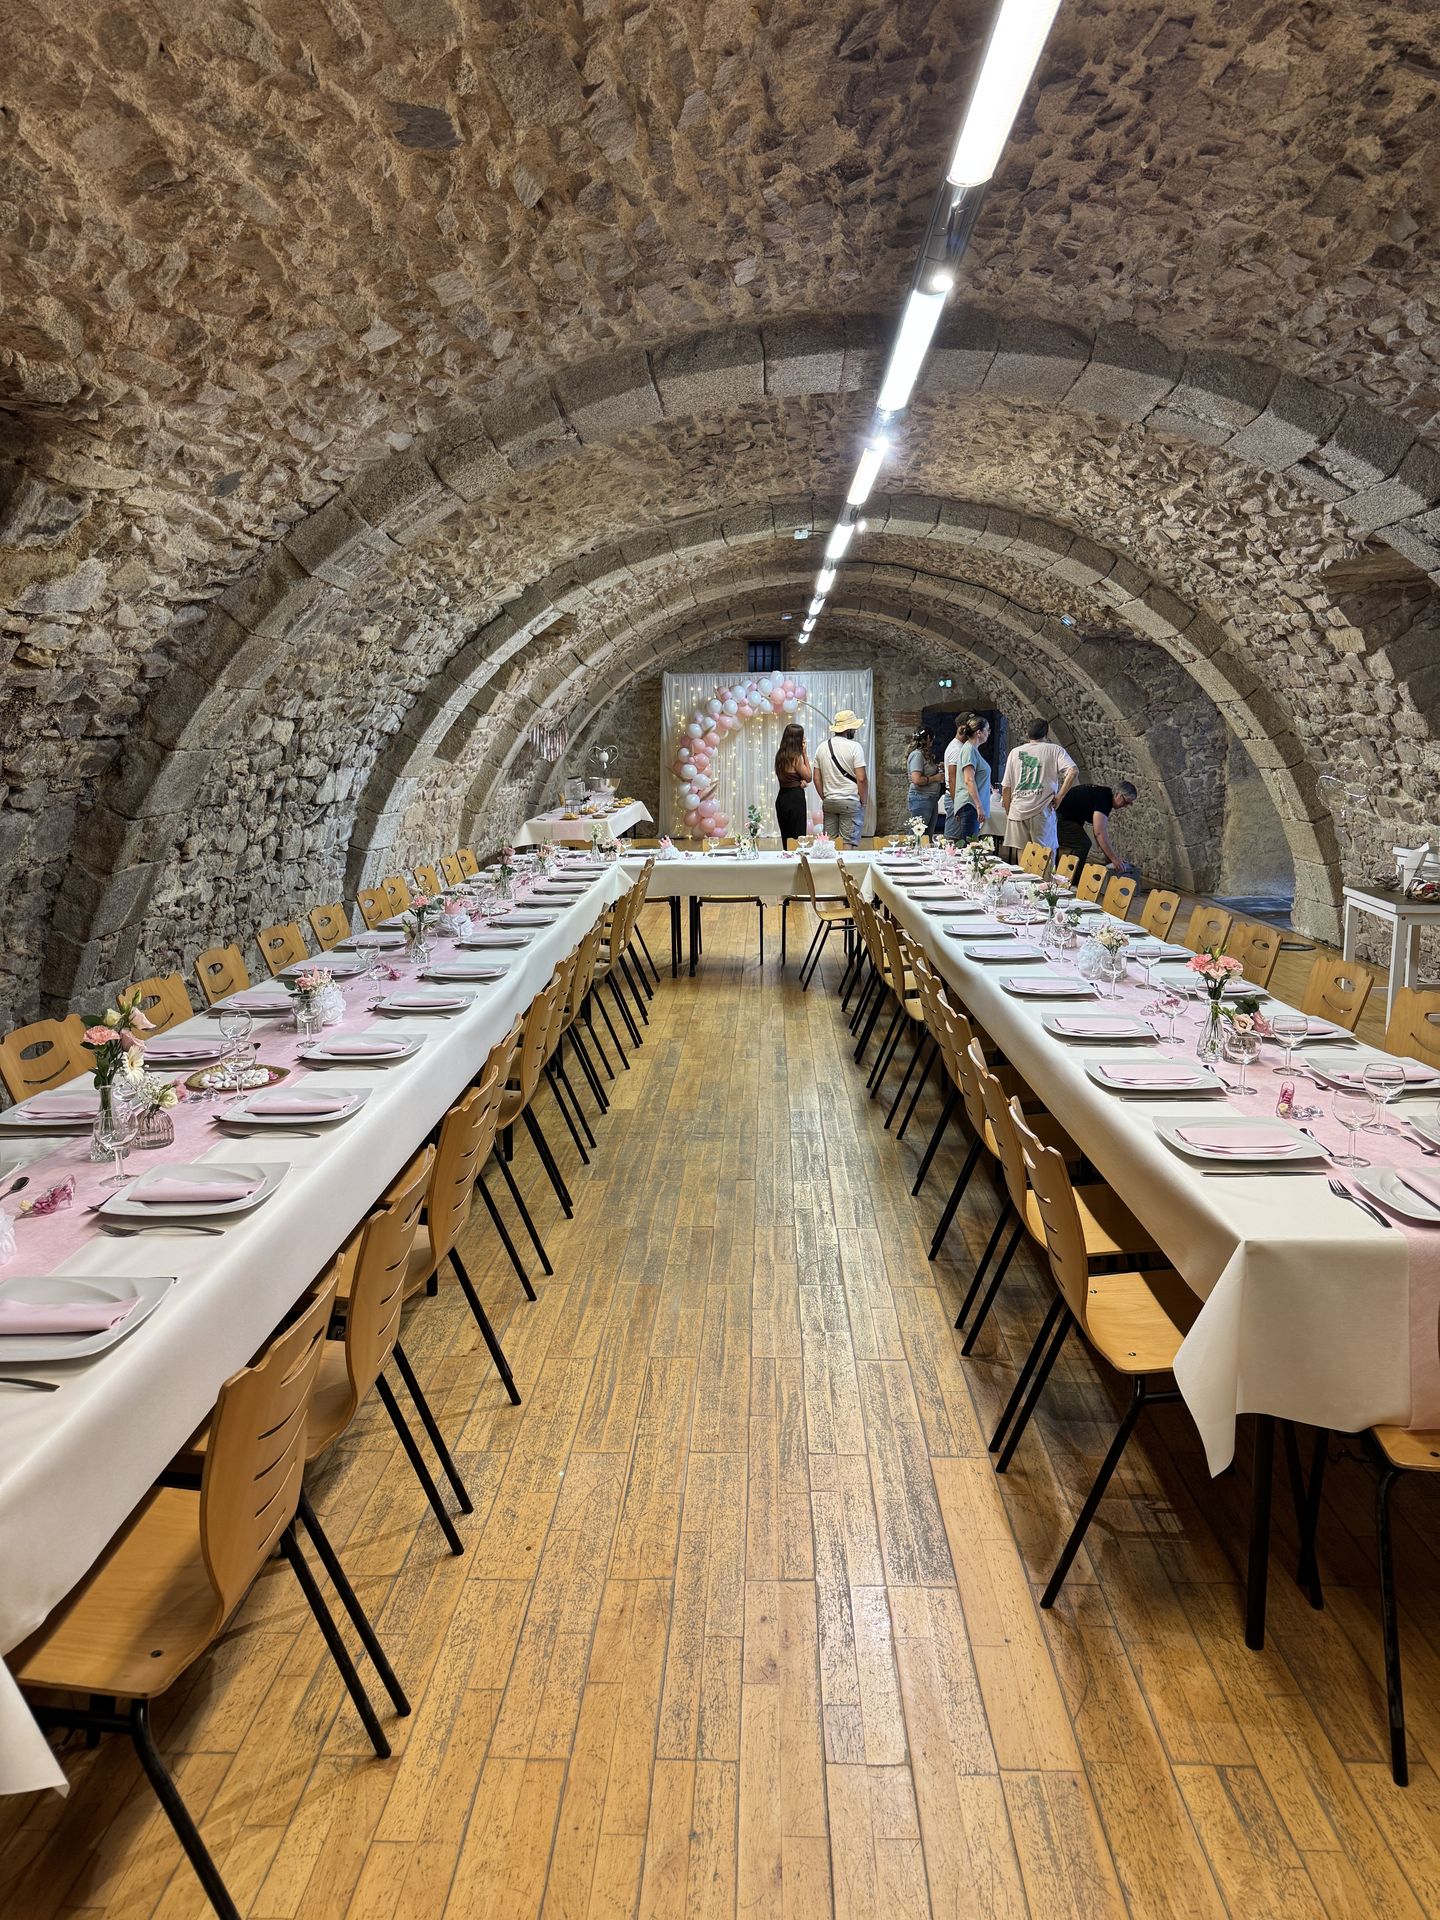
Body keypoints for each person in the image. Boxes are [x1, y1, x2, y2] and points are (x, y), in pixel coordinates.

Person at [1001, 718, 1077, 856]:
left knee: (1023, 856)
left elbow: (1006, 787)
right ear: (1046, 735)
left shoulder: (1015, 752)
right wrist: (1060, 796)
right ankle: (1045, 878)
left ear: (1027, 733)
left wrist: (1008, 811)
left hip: (1018, 810)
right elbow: (1073, 771)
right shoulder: (1054, 750)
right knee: (1044, 855)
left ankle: (1025, 878)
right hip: (1042, 810)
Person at [813, 709, 868, 848]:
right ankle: (846, 869)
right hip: (850, 800)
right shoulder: (855, 747)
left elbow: (816, 778)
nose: (855, 731)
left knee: (828, 843)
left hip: (830, 801)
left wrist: (824, 796)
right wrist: (863, 800)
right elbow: (861, 778)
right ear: (848, 729)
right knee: (847, 842)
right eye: (854, 728)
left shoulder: (821, 747)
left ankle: (829, 869)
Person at [1056, 779, 1138, 869]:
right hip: (1061, 816)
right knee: (1083, 844)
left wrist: (1110, 858)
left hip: (1067, 816)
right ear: (1117, 794)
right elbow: (1099, 833)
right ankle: (1073, 878)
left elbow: (1097, 832)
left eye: (1128, 804)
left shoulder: (1104, 795)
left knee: (1081, 843)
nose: (1125, 805)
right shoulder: (1104, 800)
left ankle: (1067, 872)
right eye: (1125, 801)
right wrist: (1114, 858)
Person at [944, 714, 991, 841]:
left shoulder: (972, 749)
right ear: (979, 732)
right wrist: (979, 805)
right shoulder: (969, 749)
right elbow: (969, 779)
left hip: (971, 804)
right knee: (968, 847)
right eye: (987, 729)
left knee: (970, 844)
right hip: (970, 804)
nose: (989, 733)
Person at [774, 722, 811, 846]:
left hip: (782, 798)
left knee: (787, 838)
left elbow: (789, 777)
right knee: (798, 838)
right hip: (795, 798)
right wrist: (805, 753)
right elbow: (809, 777)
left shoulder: (780, 756)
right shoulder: (796, 757)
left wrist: (800, 780)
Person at [905, 727, 945, 838]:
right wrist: (935, 778)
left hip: (930, 798)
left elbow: (925, 771)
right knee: (917, 834)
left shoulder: (923, 754)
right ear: (928, 738)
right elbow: (916, 779)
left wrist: (937, 767)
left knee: (927, 836)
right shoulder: (917, 755)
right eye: (932, 739)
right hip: (921, 799)